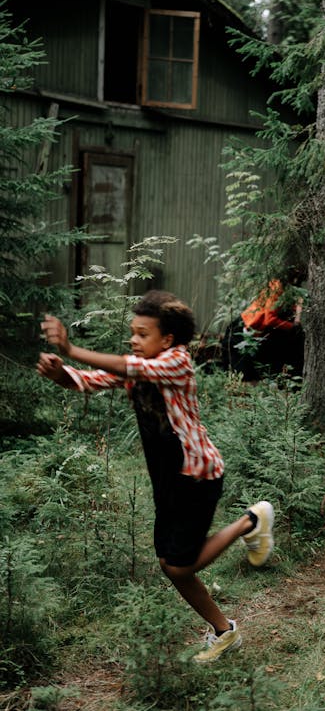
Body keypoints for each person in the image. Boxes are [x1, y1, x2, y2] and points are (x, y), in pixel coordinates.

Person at [37, 290, 275, 664]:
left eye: (143, 333)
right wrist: (61, 374)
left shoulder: (177, 361)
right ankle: (225, 631)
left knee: (181, 564)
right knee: (170, 565)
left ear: (167, 339)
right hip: (169, 480)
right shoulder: (138, 364)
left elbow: (132, 368)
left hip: (197, 477)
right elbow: (88, 380)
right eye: (133, 332)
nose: (134, 339)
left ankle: (251, 520)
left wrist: (70, 348)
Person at [221, 273, 305, 382]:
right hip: (244, 329)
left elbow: (295, 314)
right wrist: (292, 326)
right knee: (242, 376)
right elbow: (269, 319)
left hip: (259, 335)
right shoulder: (277, 286)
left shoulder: (291, 292)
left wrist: (297, 316)